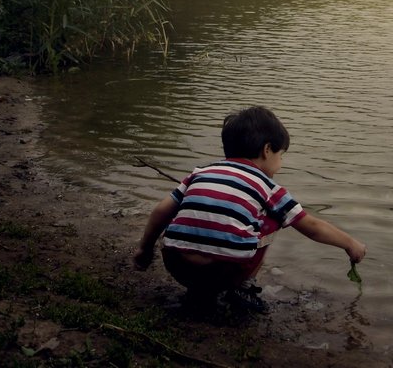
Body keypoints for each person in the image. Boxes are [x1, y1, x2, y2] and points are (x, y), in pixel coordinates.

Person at [133, 106, 367, 312]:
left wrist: (145, 250)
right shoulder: (268, 186)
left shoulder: (199, 172)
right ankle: (242, 288)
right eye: (281, 155)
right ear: (267, 150)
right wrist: (350, 243)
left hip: (177, 265)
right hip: (224, 272)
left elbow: (161, 211)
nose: (281, 163)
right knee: (276, 218)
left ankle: (197, 292)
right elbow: (312, 227)